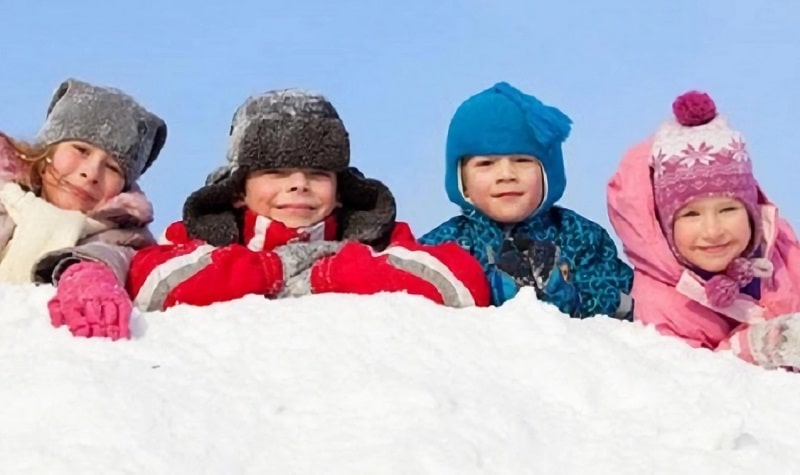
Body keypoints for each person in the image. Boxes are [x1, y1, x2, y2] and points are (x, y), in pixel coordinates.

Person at [128, 88, 490, 311]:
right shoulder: (203, 238)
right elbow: (150, 285)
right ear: (239, 190)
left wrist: (329, 273)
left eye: (318, 174)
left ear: (338, 189)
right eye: (276, 173)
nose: (299, 185)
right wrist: (274, 268)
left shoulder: (375, 239)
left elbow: (461, 284)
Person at [607, 90, 800, 369]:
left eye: (728, 210)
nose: (712, 230)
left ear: (751, 211)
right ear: (664, 223)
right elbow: (691, 381)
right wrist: (753, 347)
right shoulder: (661, 302)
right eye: (691, 214)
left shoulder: (782, 251)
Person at [420, 81, 633, 319]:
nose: (506, 175)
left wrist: (561, 297)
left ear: (548, 173)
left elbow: (621, 302)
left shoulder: (582, 237)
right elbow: (406, 300)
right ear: (463, 181)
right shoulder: (443, 245)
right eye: (486, 164)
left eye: (522, 160)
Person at [0, 78, 166, 340]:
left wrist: (88, 272)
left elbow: (112, 256)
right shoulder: (5, 199)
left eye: (112, 168)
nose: (91, 173)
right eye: (81, 150)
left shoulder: (121, 238)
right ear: (49, 149)